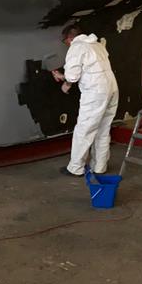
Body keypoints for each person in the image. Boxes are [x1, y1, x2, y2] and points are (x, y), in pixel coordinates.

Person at [52, 25, 119, 177]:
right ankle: (99, 167)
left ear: (70, 38)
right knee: (103, 129)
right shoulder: (97, 45)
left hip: (96, 92)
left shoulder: (77, 47)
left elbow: (72, 76)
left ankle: (75, 168)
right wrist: (66, 79)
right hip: (112, 88)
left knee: (84, 130)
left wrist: (63, 79)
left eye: (65, 41)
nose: (66, 44)